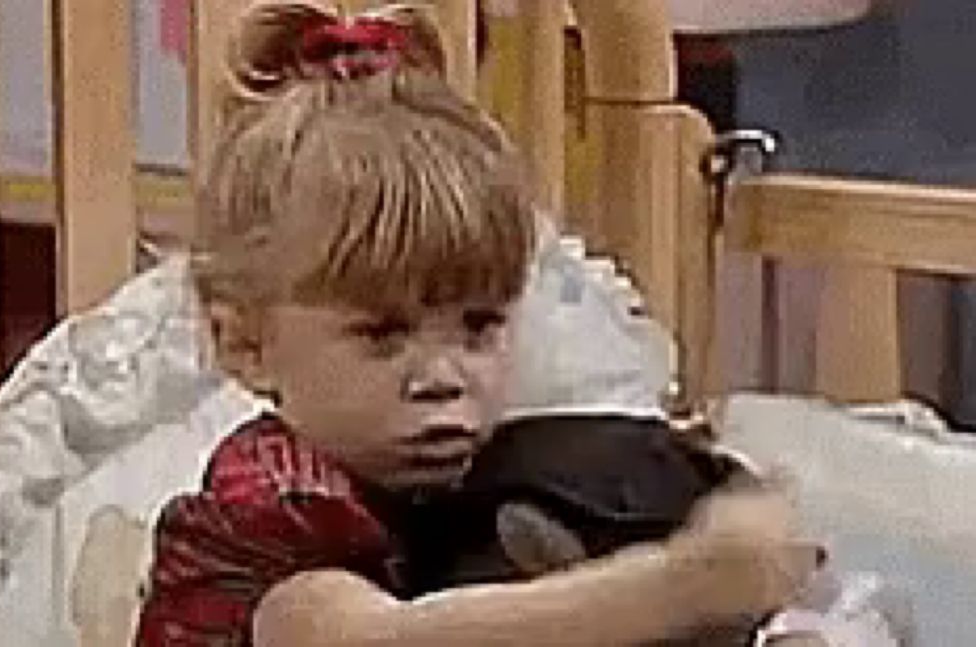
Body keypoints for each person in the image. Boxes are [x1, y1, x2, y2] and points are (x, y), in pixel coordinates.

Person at [134, 2, 822, 645]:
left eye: (478, 327)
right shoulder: (273, 497)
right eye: (383, 334)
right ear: (246, 344)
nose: (442, 378)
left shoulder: (455, 483)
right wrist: (680, 583)